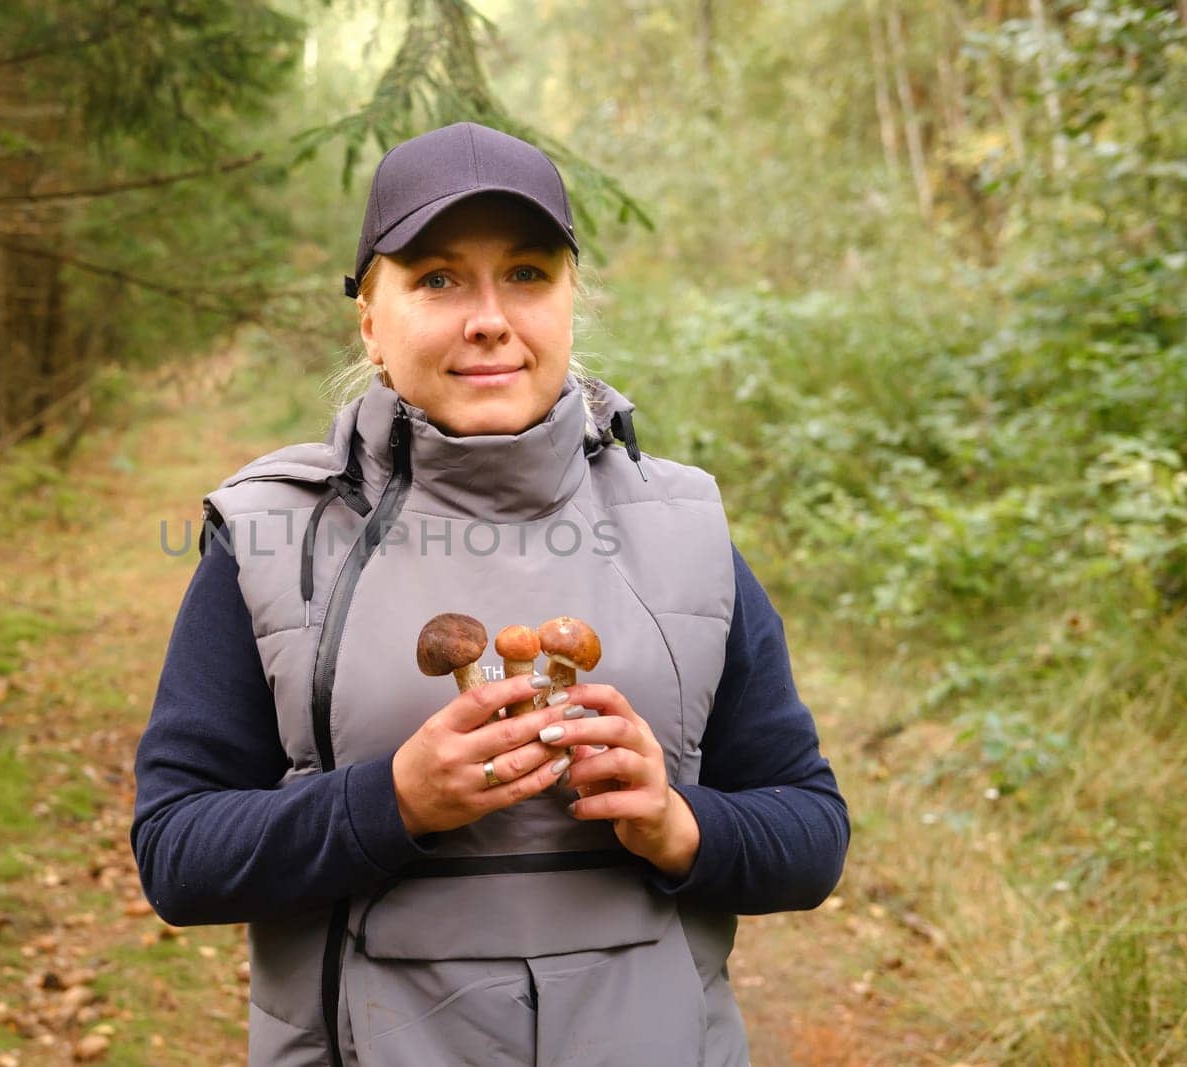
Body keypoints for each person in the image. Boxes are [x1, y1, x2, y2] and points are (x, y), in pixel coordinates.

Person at [131, 122, 849, 1067]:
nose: (489, 318)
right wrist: (392, 802)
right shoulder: (271, 535)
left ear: (568, 301)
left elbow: (810, 834)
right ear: (370, 321)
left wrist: (679, 822)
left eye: (526, 273)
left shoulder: (685, 525)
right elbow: (179, 854)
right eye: (437, 278)